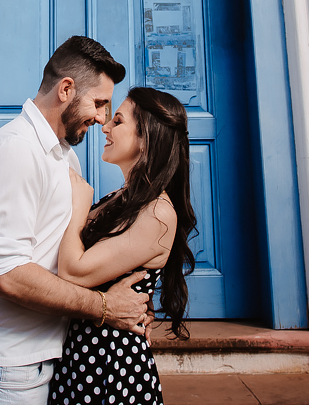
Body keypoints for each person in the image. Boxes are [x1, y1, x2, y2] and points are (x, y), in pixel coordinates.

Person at [0, 36, 152, 405]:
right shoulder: (17, 150)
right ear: (66, 89)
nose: (102, 119)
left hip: (44, 359)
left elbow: (65, 258)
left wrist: (130, 303)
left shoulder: (64, 155)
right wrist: (106, 308)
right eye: (99, 103)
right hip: (2, 367)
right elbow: (8, 275)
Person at [48, 87, 197, 405]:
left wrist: (78, 208)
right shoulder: (119, 198)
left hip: (112, 365)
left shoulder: (157, 213)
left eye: (117, 121)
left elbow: (73, 272)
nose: (104, 127)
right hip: (82, 355)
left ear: (146, 138)